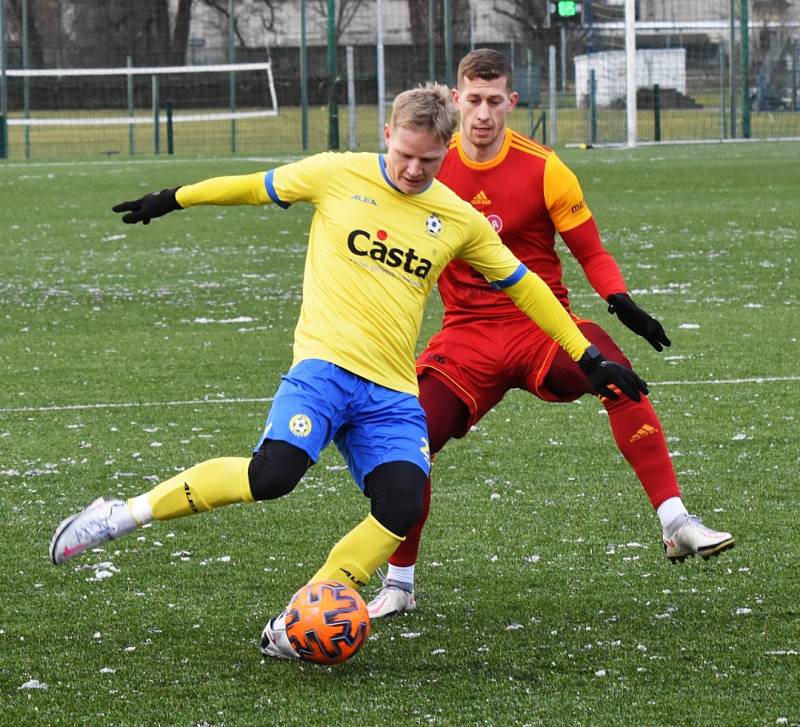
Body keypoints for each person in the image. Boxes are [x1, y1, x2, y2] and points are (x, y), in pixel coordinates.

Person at [48, 83, 647, 660]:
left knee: (402, 503)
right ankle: (119, 516)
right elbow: (252, 188)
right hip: (325, 369)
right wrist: (174, 197)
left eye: (430, 161)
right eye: (406, 155)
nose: (415, 171)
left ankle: (301, 615)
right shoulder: (336, 173)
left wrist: (589, 357)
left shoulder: (456, 216)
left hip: (390, 390)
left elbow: (529, 288)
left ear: (446, 153)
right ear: (387, 134)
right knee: (272, 476)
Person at [367, 50, 734, 619]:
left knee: (623, 381)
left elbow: (590, 251)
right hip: (464, 338)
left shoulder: (545, 168)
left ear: (512, 102)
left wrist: (621, 302)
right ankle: (399, 583)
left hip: (544, 328)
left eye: (495, 101)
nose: (483, 114)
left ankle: (676, 522)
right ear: (455, 99)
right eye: (473, 100)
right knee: (410, 441)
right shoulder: (428, 165)